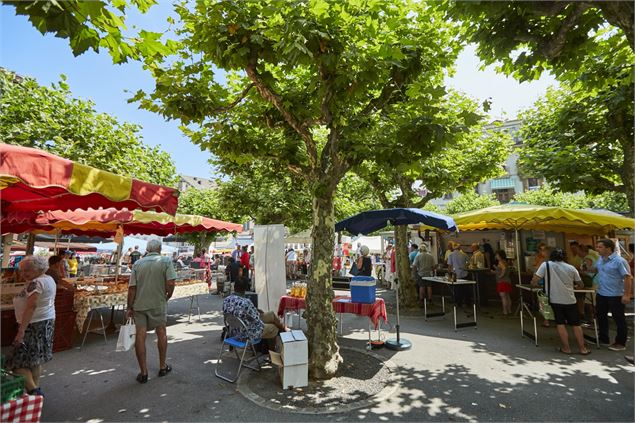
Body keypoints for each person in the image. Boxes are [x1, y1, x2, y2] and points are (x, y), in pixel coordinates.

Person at [126, 240, 176, 384]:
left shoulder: (137, 264)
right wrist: (168, 295)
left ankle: (143, 372)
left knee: (140, 336)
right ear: (159, 249)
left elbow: (132, 288)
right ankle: (162, 366)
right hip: (158, 303)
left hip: (140, 304)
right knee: (161, 333)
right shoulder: (165, 261)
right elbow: (171, 282)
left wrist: (129, 307)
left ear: (147, 249)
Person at [9, 256, 56, 396]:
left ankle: (34, 391)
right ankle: (34, 395)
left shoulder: (35, 283)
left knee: (15, 363)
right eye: (22, 270)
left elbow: (31, 306)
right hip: (44, 322)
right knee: (34, 360)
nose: (23, 274)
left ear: (38, 268)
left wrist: (21, 331)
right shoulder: (48, 279)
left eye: (27, 270)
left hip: (33, 325)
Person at [531, 249, 590, 355]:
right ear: (564, 257)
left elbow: (535, 279)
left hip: (554, 299)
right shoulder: (571, 268)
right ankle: (582, 349)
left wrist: (534, 283)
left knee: (560, 323)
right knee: (576, 324)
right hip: (570, 299)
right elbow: (580, 284)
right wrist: (575, 286)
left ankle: (566, 348)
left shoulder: (546, 265)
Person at [593, 239, 633, 351]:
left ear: (608, 248)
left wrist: (627, 294)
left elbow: (627, 277)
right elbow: (597, 269)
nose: (597, 249)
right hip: (601, 293)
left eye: (600, 247)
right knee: (601, 316)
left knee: (618, 318)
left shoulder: (619, 261)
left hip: (615, 294)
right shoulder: (600, 259)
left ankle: (620, 342)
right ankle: (604, 338)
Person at [222, 294, 287, 349]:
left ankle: (283, 329)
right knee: (274, 327)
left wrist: (256, 311)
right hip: (247, 334)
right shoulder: (246, 302)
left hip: (235, 331)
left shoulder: (228, 299)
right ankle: (272, 352)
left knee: (271, 314)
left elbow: (254, 315)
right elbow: (257, 319)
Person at [448, 243, 470, 307]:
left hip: (455, 275)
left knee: (457, 289)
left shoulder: (451, 255)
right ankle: (466, 302)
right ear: (459, 248)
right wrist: (463, 266)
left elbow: (449, 266)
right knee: (465, 289)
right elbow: (468, 263)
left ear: (453, 248)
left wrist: (449, 275)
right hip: (464, 273)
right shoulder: (464, 254)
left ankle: (458, 303)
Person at [495, 250, 513, 316]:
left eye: (497, 255)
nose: (496, 256)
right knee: (507, 296)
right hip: (507, 281)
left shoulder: (500, 262)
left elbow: (504, 269)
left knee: (503, 297)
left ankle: (505, 311)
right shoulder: (506, 261)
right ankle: (509, 310)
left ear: (500, 255)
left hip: (502, 281)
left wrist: (500, 276)